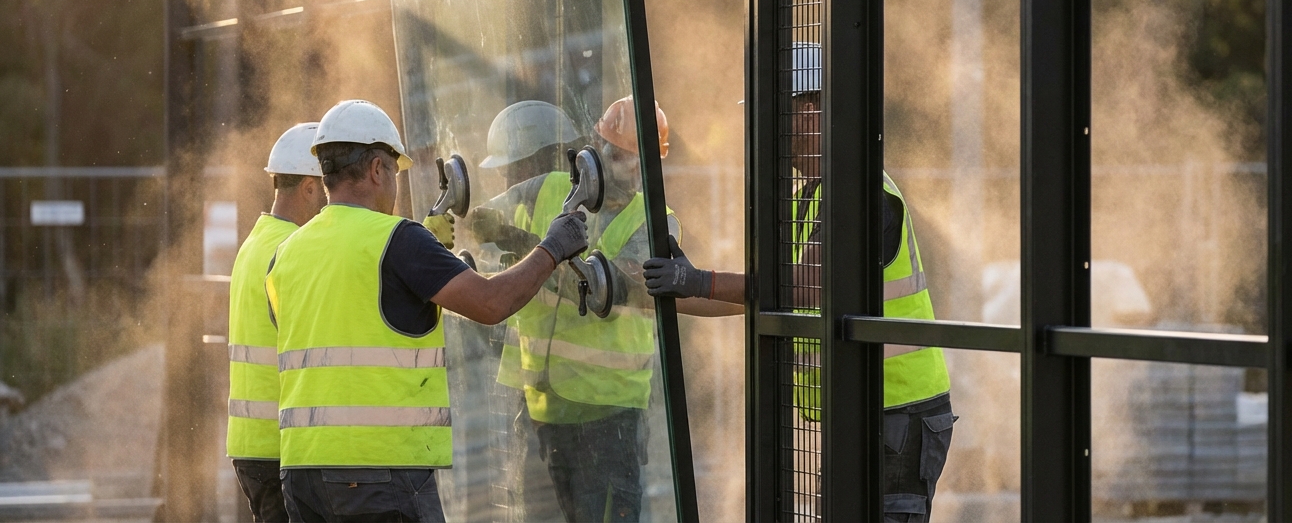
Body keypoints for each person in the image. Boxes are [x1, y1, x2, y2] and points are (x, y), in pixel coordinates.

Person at [642, 42, 956, 523]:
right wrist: (669, 292)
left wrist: (699, 280)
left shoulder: (858, 190)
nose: (761, 127)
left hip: (899, 414)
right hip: (865, 411)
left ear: (809, 111)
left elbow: (801, 288)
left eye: (772, 112)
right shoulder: (809, 197)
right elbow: (766, 295)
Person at [265, 100, 589, 522]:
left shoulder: (286, 253)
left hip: (302, 473)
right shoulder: (399, 240)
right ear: (377, 169)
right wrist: (553, 247)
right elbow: (491, 303)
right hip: (378, 471)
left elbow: (351, 314)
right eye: (395, 173)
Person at [471, 96, 675, 523]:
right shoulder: (548, 188)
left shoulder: (656, 223)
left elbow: (605, 292)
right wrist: (473, 230)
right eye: (612, 152)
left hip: (609, 413)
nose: (624, 167)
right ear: (594, 146)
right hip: (544, 406)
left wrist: (526, 245)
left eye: (635, 159)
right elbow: (481, 219)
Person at [227, 123, 325, 523]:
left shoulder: (256, 244)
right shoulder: (290, 250)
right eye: (330, 190)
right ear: (309, 188)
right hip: (280, 447)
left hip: (255, 444)